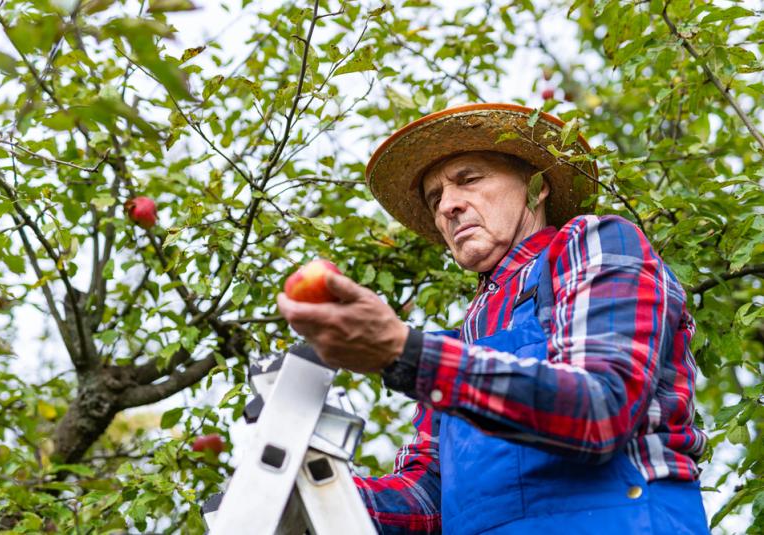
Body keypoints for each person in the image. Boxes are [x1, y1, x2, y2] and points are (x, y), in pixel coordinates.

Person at [277, 103, 709, 534]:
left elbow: (600, 407)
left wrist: (405, 352)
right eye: (435, 198)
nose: (447, 205)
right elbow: (428, 498)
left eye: (468, 179)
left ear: (536, 187)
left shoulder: (591, 243)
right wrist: (314, 495)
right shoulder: (456, 345)